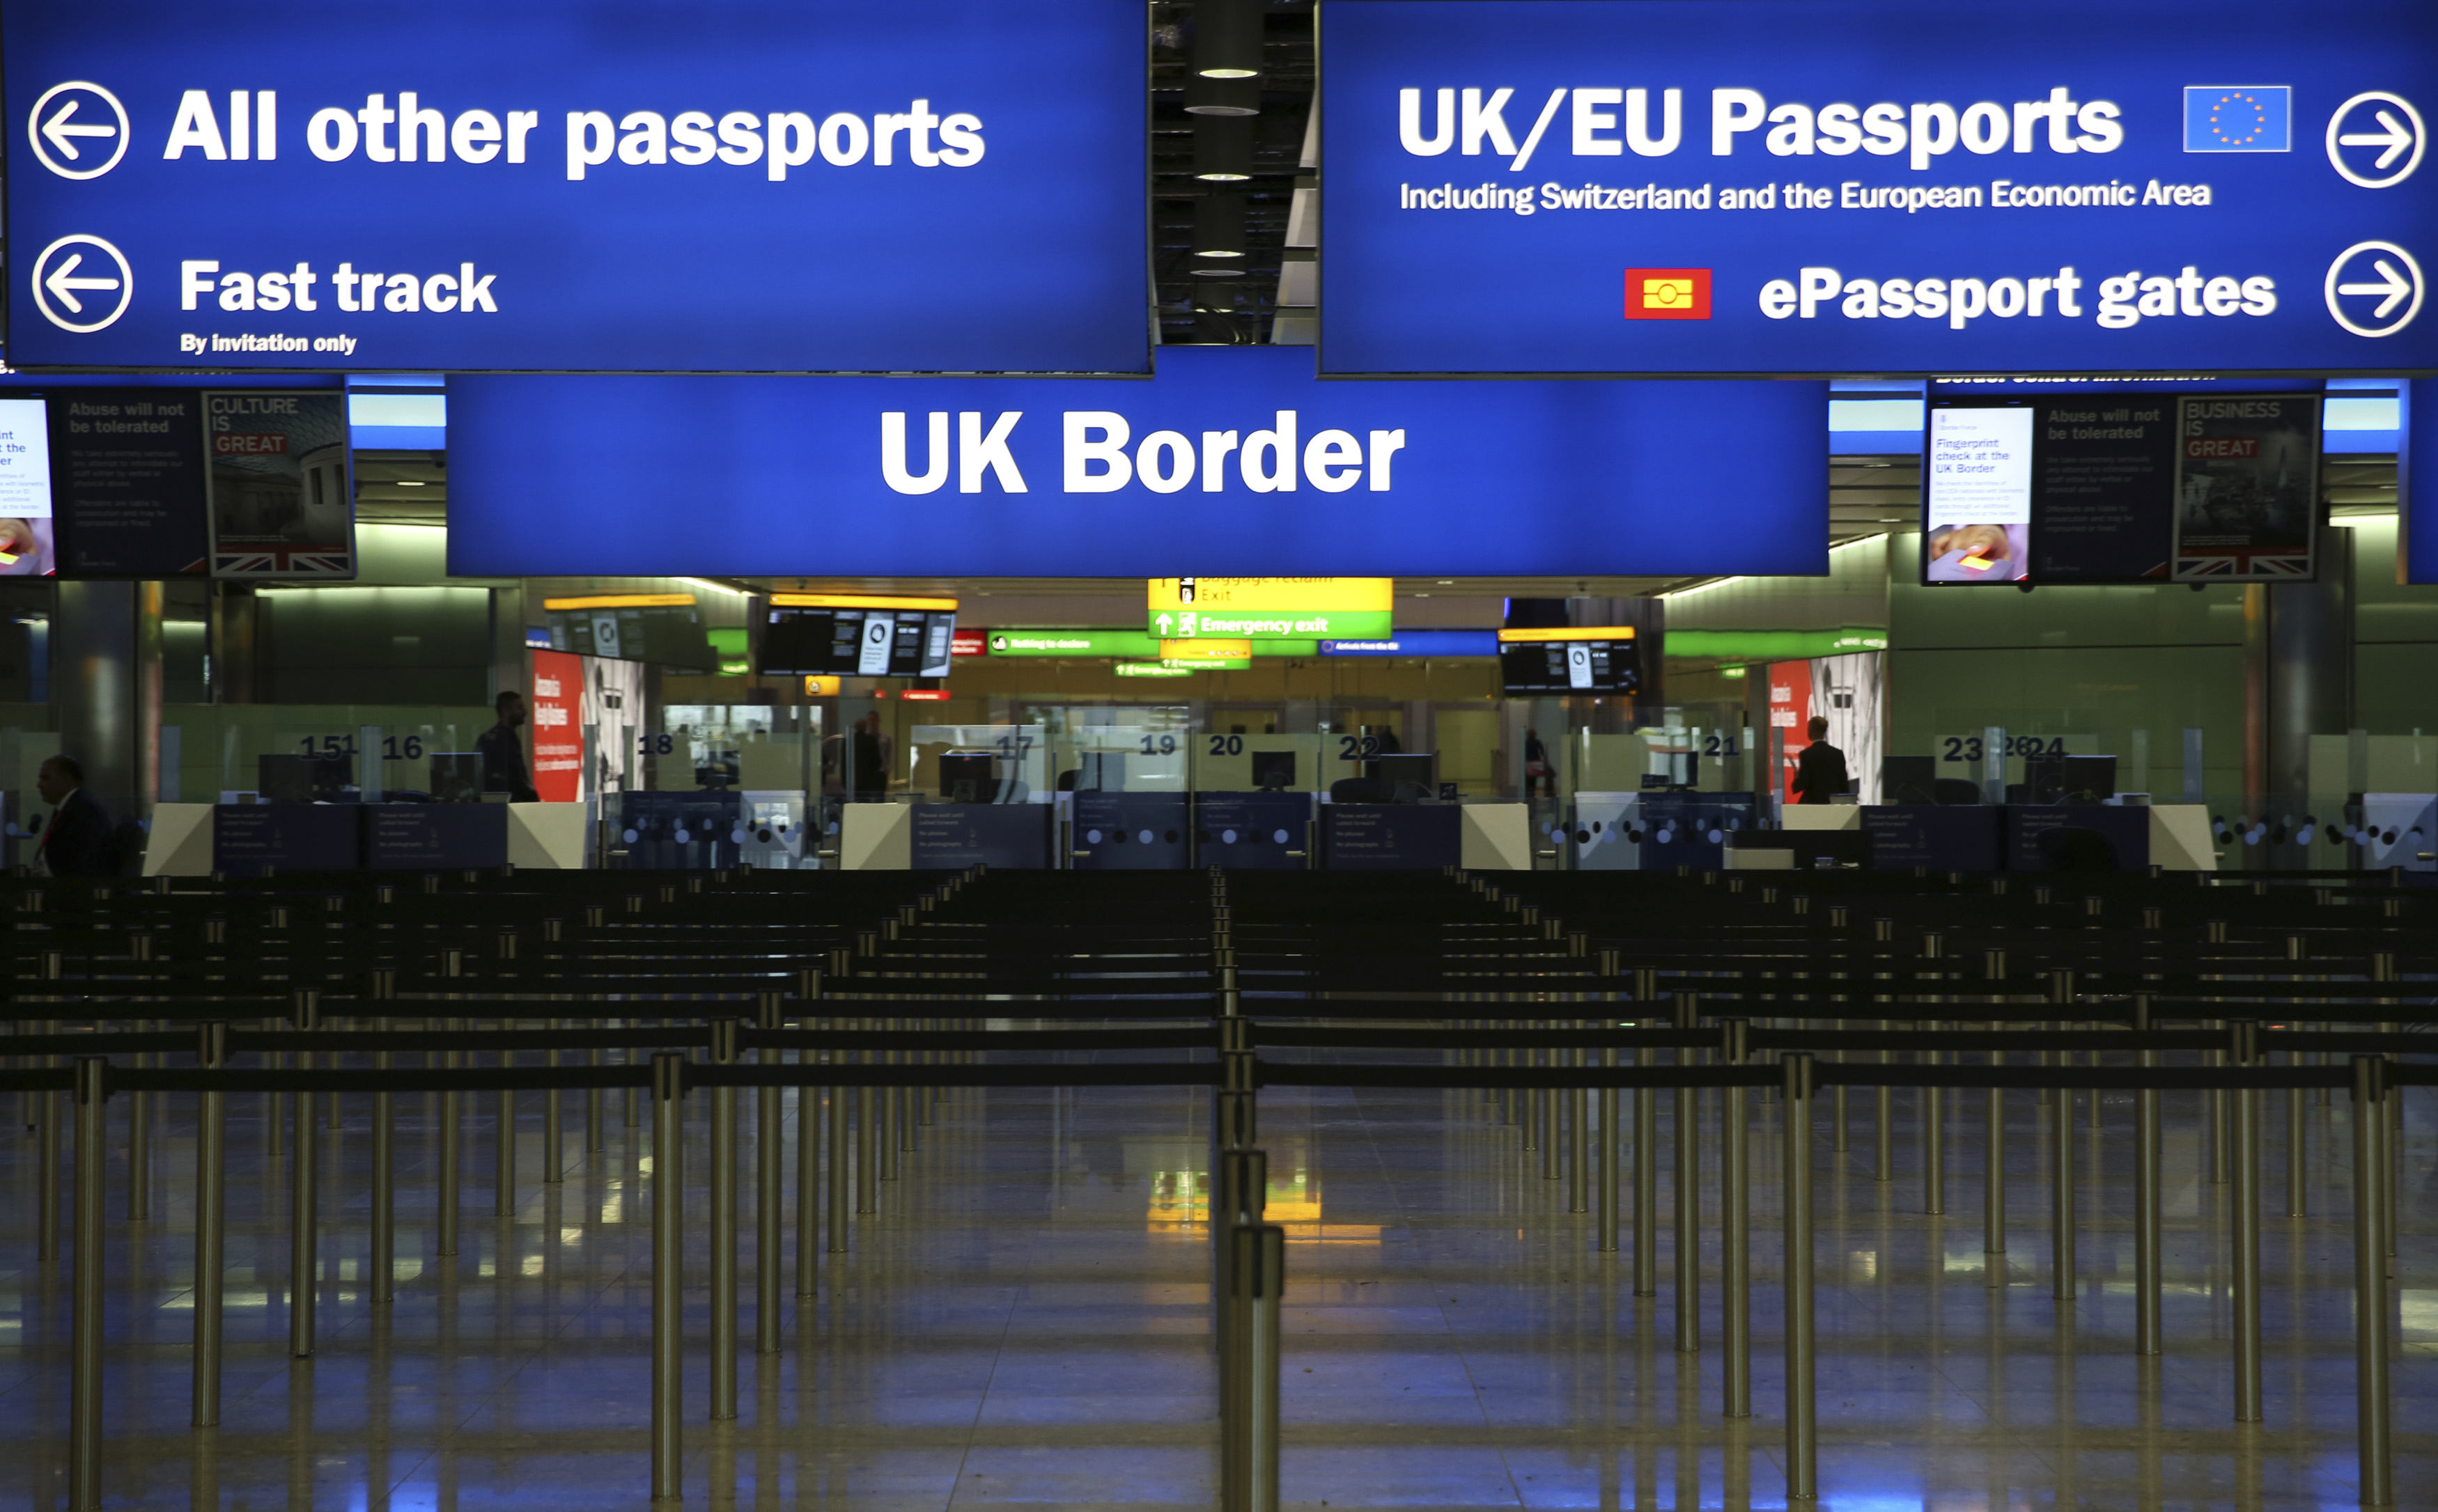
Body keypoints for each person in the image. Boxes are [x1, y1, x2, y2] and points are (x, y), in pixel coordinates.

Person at [33, 755, 115, 877]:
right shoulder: (70, 807)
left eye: (45, 778)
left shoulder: (84, 810)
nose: (39, 785)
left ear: (66, 779)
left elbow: (82, 864)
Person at [477, 689, 538, 802]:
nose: (525, 712)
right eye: (519, 707)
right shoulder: (507, 740)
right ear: (506, 711)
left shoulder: (486, 738)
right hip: (509, 804)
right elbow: (517, 776)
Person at [1791, 715, 1849, 806]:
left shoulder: (1806, 755)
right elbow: (1844, 785)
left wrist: (1796, 777)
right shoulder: (1838, 754)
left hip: (1813, 805)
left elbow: (1802, 784)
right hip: (1833, 806)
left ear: (1811, 731)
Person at [1523, 728, 1552, 800]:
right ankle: (1532, 793)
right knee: (1534, 779)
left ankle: (1527, 794)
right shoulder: (1537, 742)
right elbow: (1542, 752)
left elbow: (1523, 752)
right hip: (1536, 762)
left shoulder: (1526, 742)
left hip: (1528, 762)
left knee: (1528, 779)